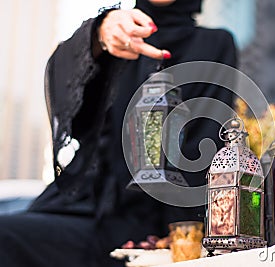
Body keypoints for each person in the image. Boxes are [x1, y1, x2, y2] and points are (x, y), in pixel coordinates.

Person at [0, 0, 237, 266]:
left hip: (152, 225)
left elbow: (205, 146)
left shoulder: (214, 44)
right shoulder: (114, 36)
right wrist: (97, 37)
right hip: (84, 210)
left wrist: (184, 232)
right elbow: (72, 111)